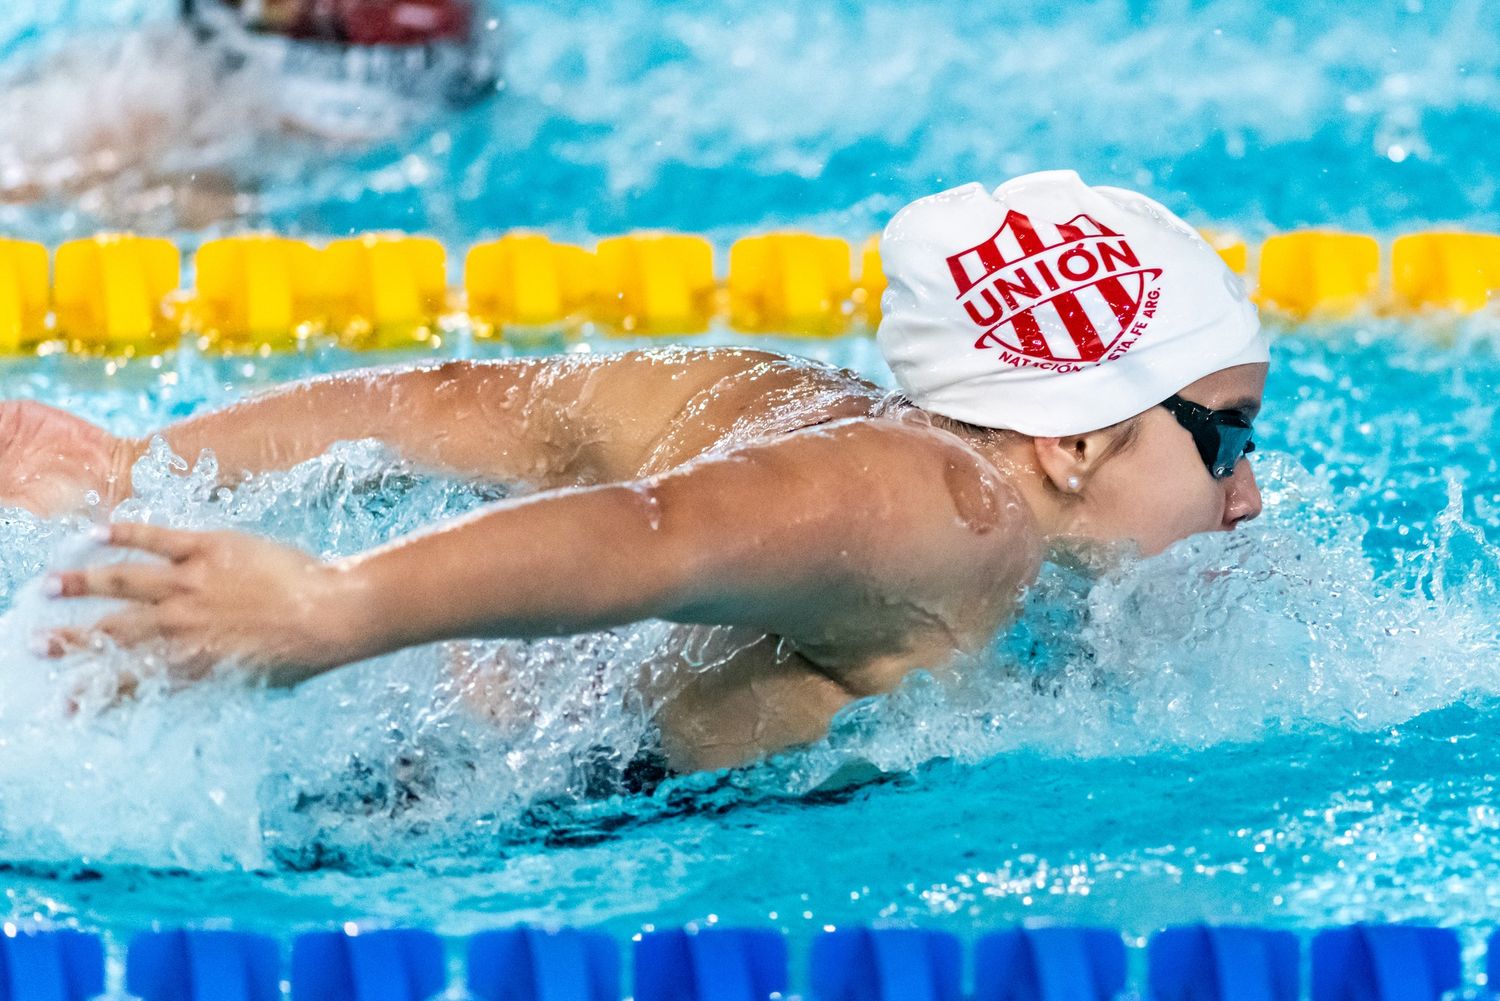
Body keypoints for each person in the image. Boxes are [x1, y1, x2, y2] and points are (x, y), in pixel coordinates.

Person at [7, 170, 1267, 776]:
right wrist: (332, 607)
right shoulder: (953, 517)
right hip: (495, 805)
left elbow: (459, 406)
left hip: (473, 718)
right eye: (1227, 436)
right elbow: (657, 532)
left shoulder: (786, 398)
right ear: (1079, 435)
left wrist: (138, 466)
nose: (1247, 494)